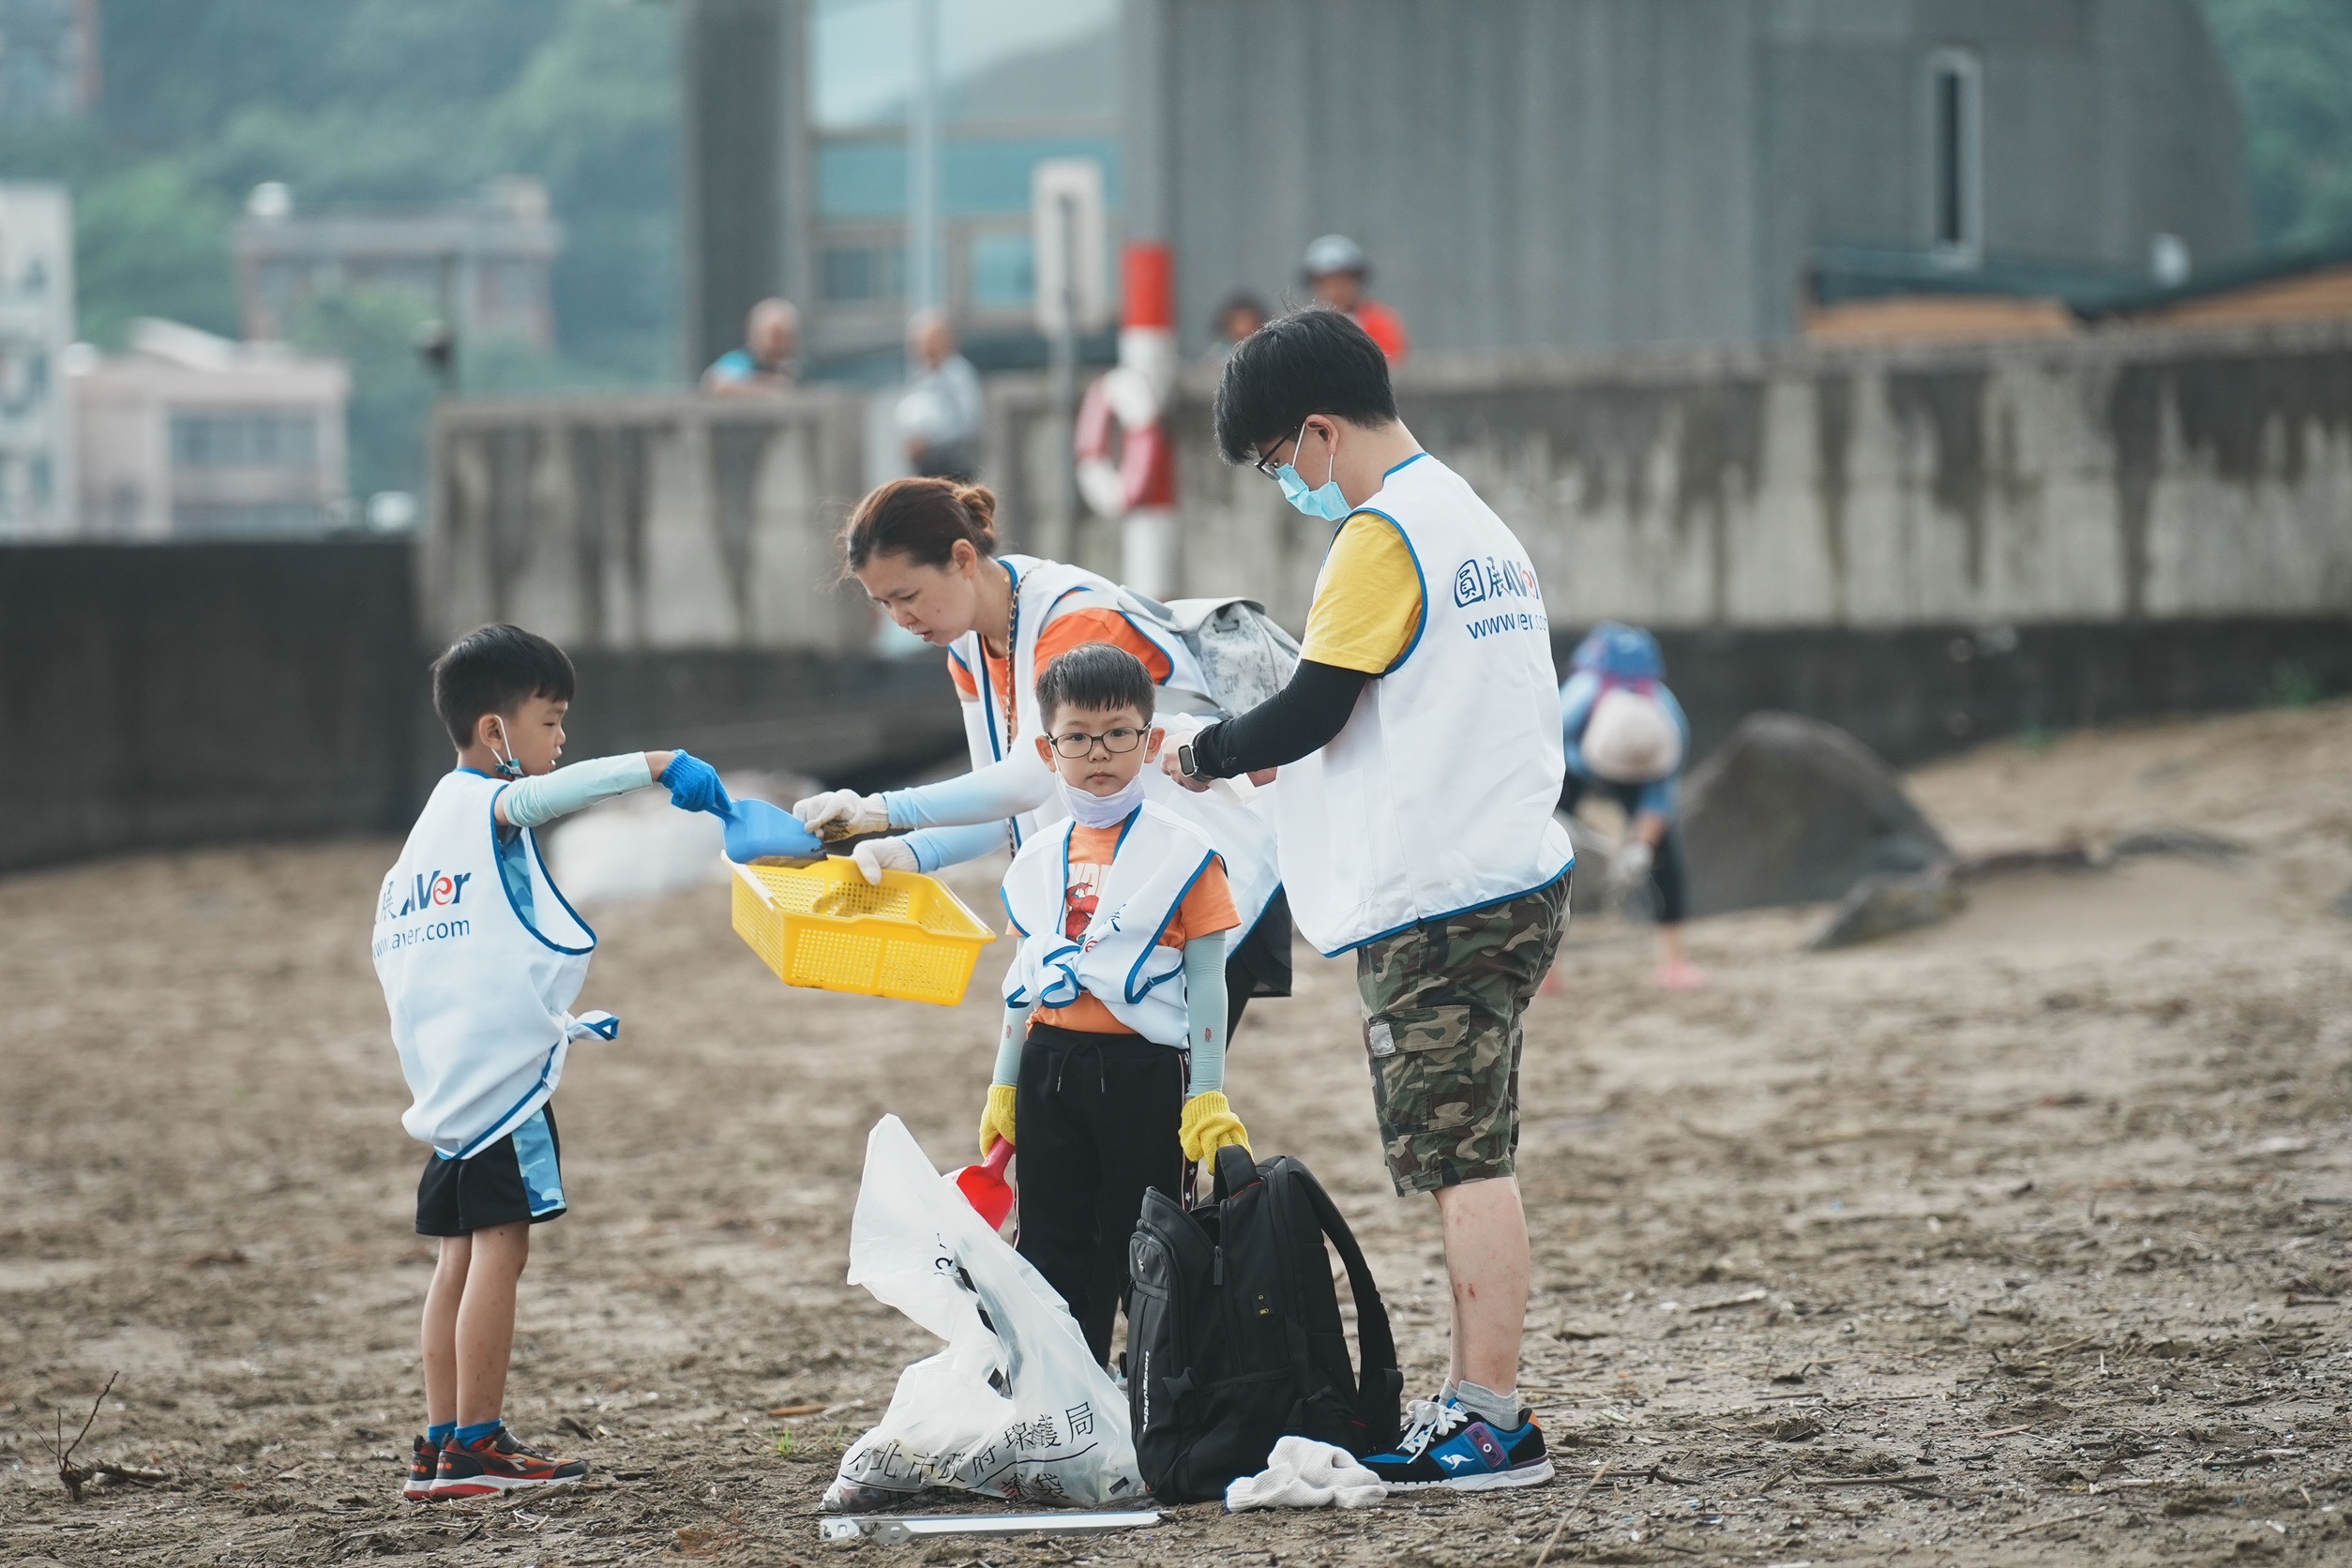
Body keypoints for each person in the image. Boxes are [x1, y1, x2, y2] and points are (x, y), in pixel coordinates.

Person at [1163, 307, 1568, 1492]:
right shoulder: (1469, 516)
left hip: (1441, 899)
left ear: (1321, 433)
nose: (1284, 483)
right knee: (1473, 1146)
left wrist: (1201, 752)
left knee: (1462, 1161)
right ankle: (1482, 1400)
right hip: (1514, 870)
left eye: (1277, 461)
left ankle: (1488, 1414)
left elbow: (1310, 710)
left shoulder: (1381, 537)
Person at [371, 625, 731, 1502]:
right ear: (496, 731)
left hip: (448, 1087)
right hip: (500, 1088)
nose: (560, 740)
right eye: (551, 721)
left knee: (455, 1260)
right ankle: (479, 1447)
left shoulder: (424, 836)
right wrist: (656, 763)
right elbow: (542, 801)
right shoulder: (486, 804)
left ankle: (441, 1440)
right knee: (503, 1250)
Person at [791, 476, 1292, 1041]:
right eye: (882, 604)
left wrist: (880, 809)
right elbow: (1003, 811)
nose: (899, 619)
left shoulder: (1074, 618)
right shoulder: (968, 646)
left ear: (961, 558)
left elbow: (1027, 783)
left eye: (906, 596)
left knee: (1155, 1110)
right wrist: (910, 850)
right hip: (1115, 898)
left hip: (1200, 892)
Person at [980, 641, 1256, 1364]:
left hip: (1142, 1074)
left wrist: (1207, 1096)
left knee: (1152, 1243)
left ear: (1151, 739)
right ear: (1049, 748)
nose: (1097, 751)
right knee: (1051, 1244)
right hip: (1050, 1070)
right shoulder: (1037, 857)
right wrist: (1004, 1085)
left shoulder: (1185, 852)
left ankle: (1160, 1401)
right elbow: (1023, 981)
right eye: (1077, 737)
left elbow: (1208, 980)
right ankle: (1070, 1401)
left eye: (1117, 733)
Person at [1559, 623, 1703, 991]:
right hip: (1571, 765)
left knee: (1664, 853)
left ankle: (1675, 962)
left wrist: (1639, 848)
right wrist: (1556, 819)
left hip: (1636, 759)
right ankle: (1544, 970)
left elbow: (1659, 799)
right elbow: (1534, 767)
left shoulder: (1668, 728)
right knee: (1543, 859)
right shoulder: (1572, 707)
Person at [895, 308, 985, 480]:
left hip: (953, 468)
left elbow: (969, 423)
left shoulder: (959, 375)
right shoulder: (920, 377)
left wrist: (930, 443)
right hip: (925, 469)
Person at [1303, 234, 1409, 362]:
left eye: (1342, 281)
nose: (1334, 290)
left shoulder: (1380, 322)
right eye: (1325, 283)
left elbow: (1394, 366)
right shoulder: (1303, 327)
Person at [701, 297, 799, 394]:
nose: (779, 342)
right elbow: (717, 383)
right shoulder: (741, 361)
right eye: (774, 334)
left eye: (786, 334)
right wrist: (769, 385)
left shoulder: (799, 367)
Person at [1205, 289, 1269, 365]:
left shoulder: (1265, 350)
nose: (1244, 327)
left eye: (1249, 321)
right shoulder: (1217, 357)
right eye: (1240, 322)